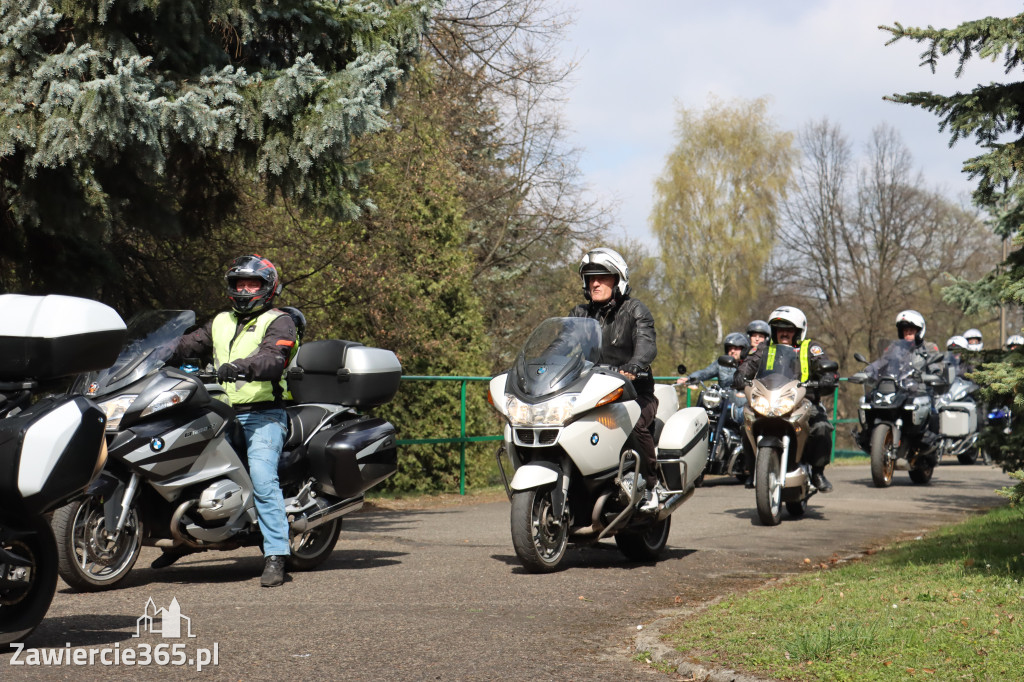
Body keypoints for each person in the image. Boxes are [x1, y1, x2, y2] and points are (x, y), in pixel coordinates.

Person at [155, 254, 297, 588]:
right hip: (219, 413)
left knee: (262, 478)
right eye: (240, 283)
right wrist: (152, 350)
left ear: (268, 288)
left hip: (264, 415)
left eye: (253, 283)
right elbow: (188, 343)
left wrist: (240, 367)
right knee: (180, 463)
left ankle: (276, 553)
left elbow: (273, 358)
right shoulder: (219, 321)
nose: (245, 289)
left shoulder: (281, 321)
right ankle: (183, 537)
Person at [569, 247, 662, 512]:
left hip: (633, 393)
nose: (595, 283)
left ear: (618, 279)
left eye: (602, 277)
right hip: (590, 396)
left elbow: (647, 344)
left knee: (634, 425)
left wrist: (634, 365)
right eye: (590, 278)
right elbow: (561, 347)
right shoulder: (580, 315)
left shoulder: (635, 311)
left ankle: (652, 487)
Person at [733, 306, 838, 493]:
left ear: (798, 331)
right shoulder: (765, 348)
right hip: (772, 398)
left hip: (805, 400)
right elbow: (749, 363)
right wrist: (741, 375)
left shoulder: (810, 348)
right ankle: (752, 469)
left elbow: (823, 362)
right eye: (780, 329)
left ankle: (818, 472)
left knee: (822, 427)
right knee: (746, 422)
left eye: (789, 329)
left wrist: (827, 377)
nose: (784, 333)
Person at [677, 332, 748, 388]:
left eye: (736, 348)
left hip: (744, 400)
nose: (732, 351)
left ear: (743, 349)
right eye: (730, 348)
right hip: (725, 400)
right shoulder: (721, 363)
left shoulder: (750, 364)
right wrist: (689, 378)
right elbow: (705, 372)